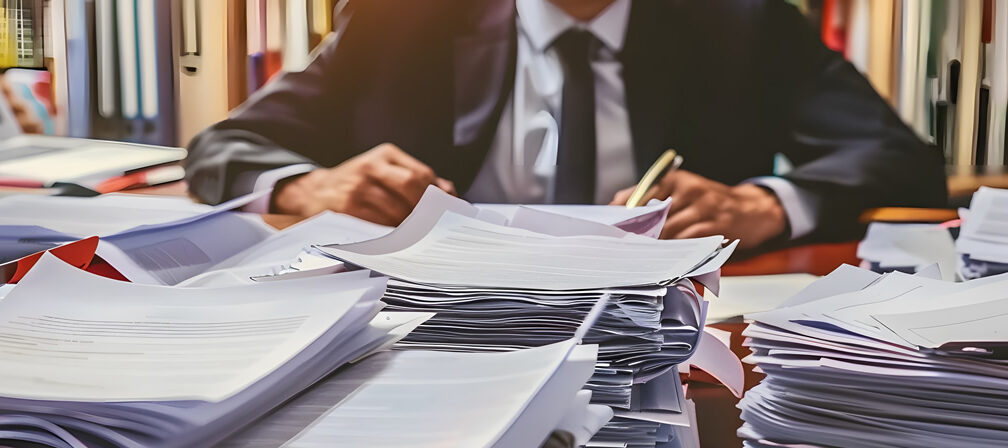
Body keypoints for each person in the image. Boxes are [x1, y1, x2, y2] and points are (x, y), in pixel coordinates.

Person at [185, 0, 948, 249]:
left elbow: (901, 161)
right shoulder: (401, 17)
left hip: (667, 338)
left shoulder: (740, 21)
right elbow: (222, 147)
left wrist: (768, 204)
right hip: (436, 326)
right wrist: (310, 186)